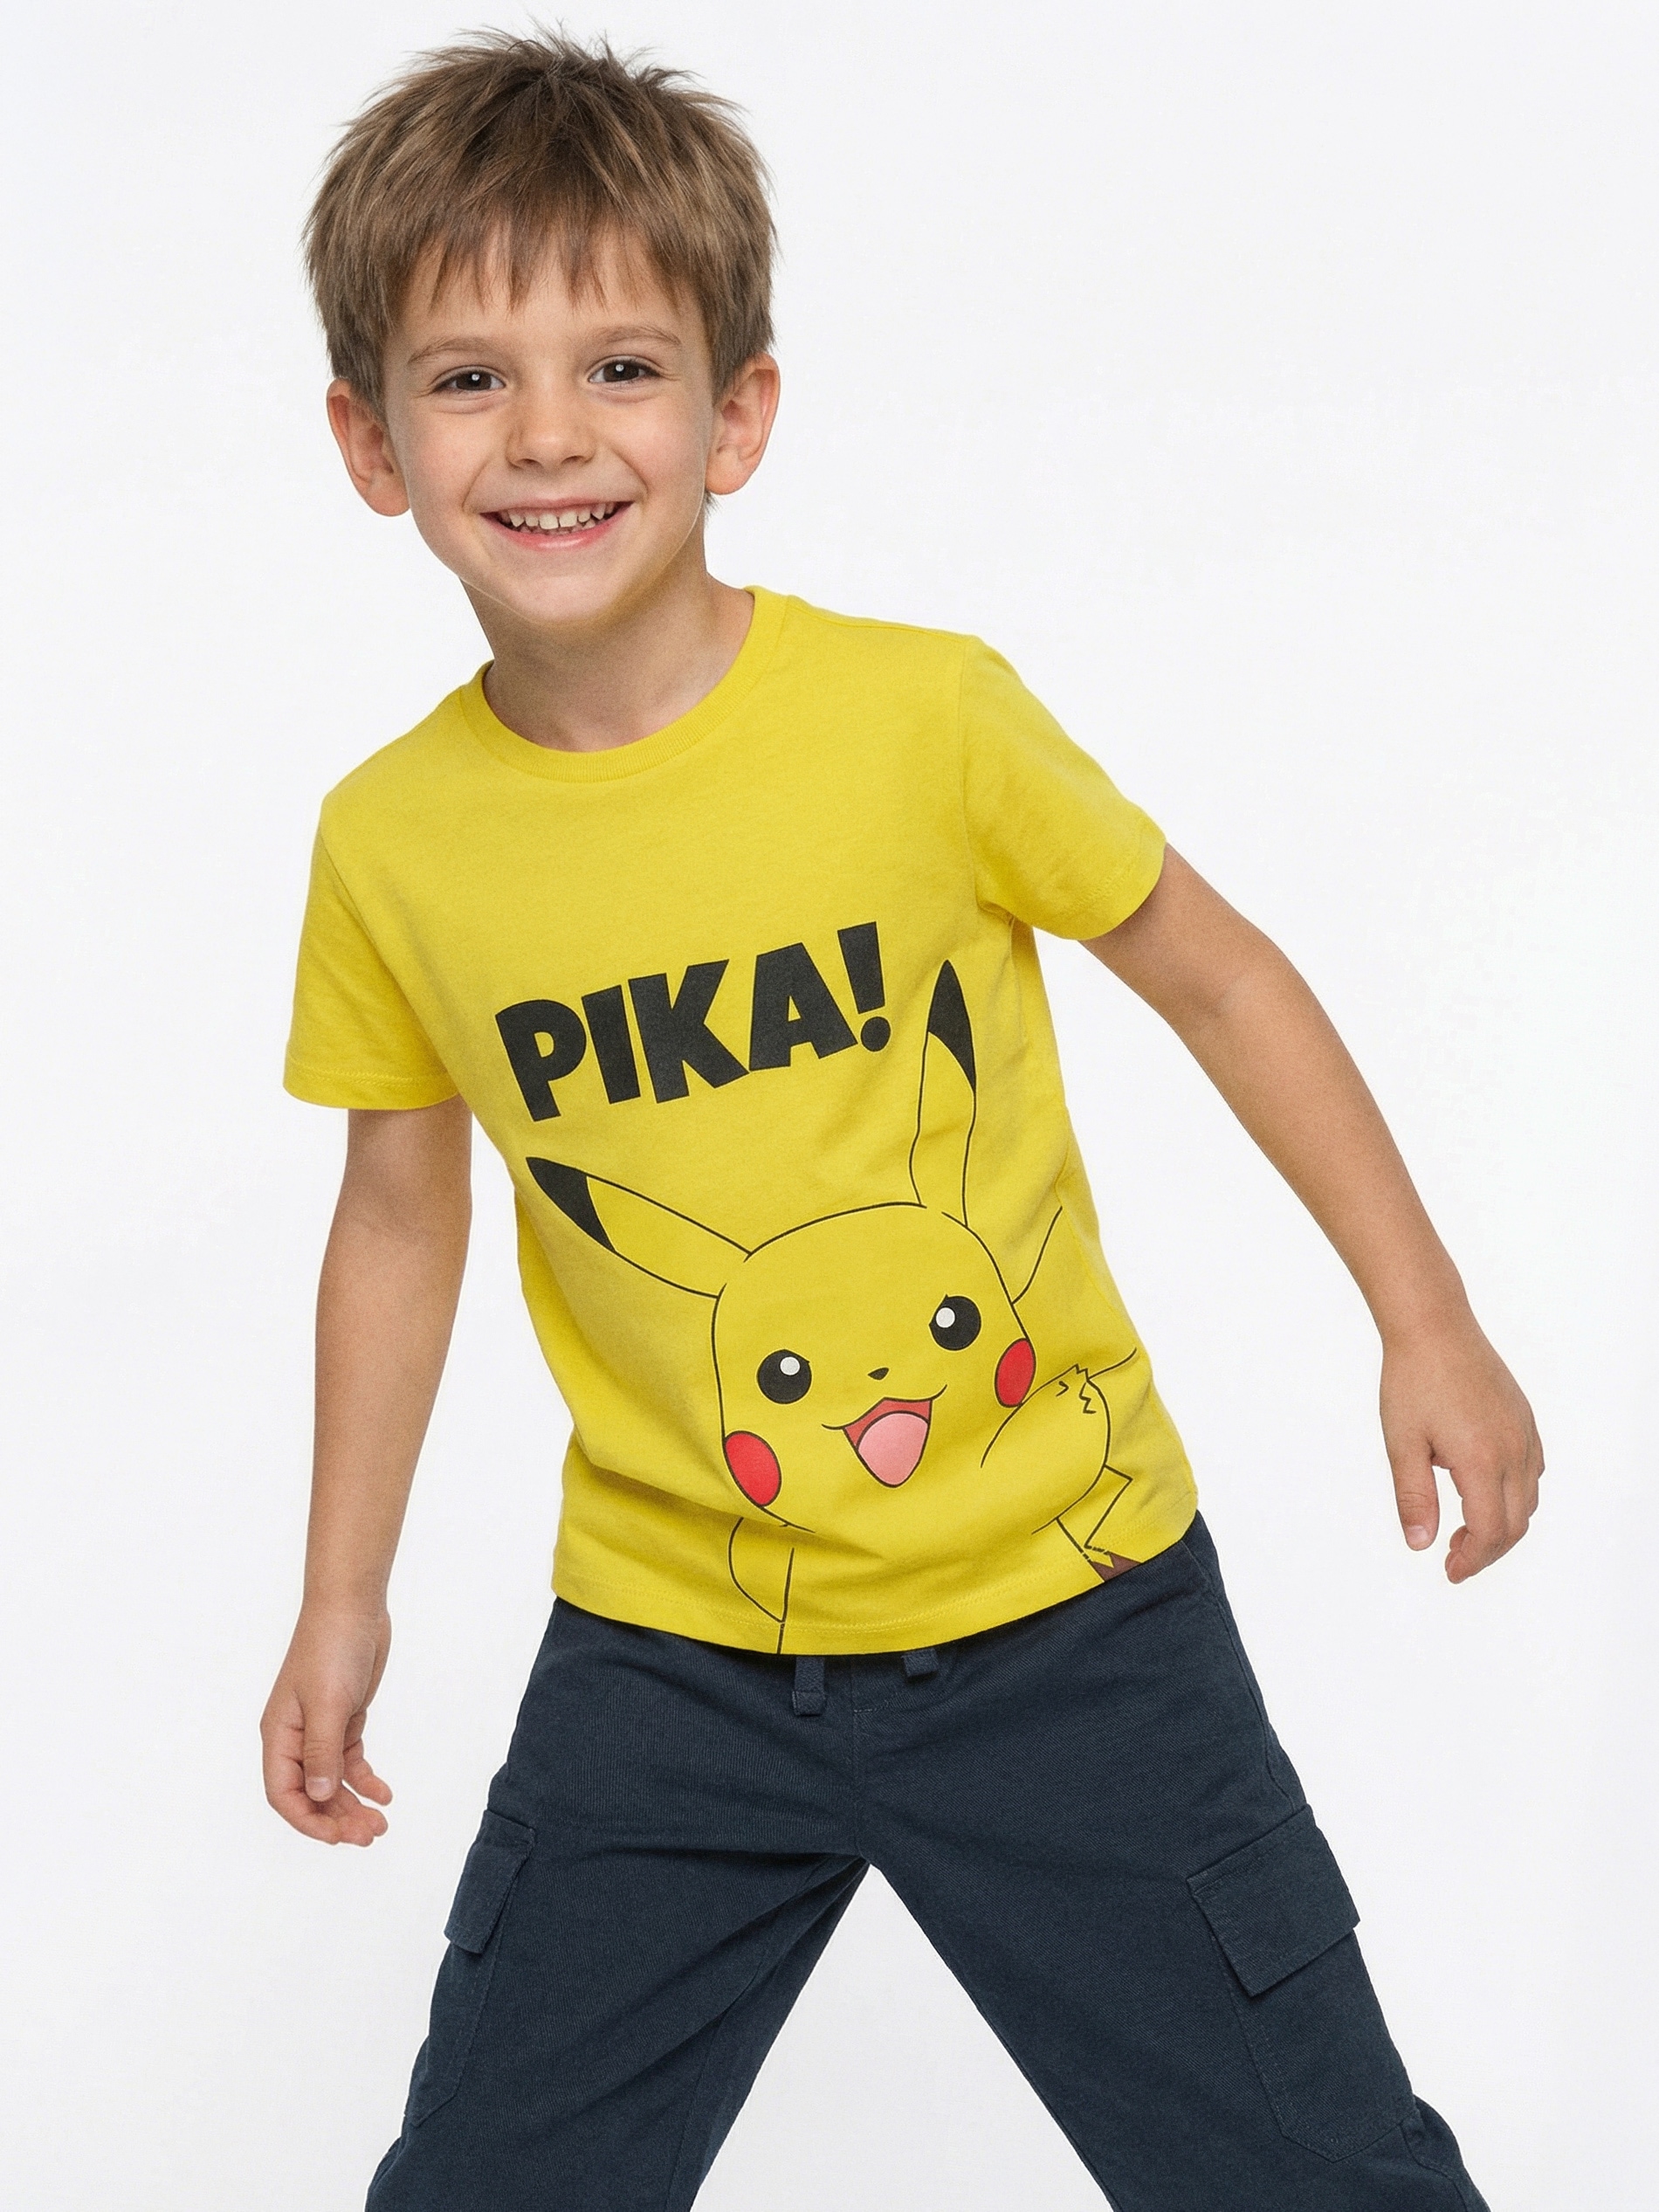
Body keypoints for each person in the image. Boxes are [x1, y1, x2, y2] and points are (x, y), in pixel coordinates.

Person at [261, 30, 1541, 2211]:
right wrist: (338, 1594)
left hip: (1071, 1621)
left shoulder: (918, 716)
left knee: (1311, 2175)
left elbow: (1215, 973)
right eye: (469, 379)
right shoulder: (391, 842)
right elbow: (398, 1211)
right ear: (371, 443)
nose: (549, 434)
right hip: (669, 1655)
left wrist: (1422, 1317)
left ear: (737, 414)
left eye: (622, 368)